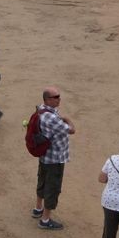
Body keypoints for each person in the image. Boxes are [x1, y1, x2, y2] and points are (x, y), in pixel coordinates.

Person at [33, 86, 75, 230]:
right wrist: (68, 120)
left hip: (44, 155)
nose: (59, 99)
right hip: (55, 157)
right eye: (56, 97)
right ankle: (45, 220)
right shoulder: (51, 117)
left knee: (42, 181)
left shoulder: (41, 110)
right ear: (47, 100)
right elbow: (71, 130)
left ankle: (38, 208)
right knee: (53, 187)